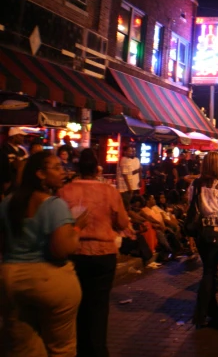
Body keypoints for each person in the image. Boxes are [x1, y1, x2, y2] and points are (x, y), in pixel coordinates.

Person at [0, 151, 88, 356]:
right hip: (49, 280)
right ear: (40, 174)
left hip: (11, 279)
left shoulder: (7, 203)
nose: (63, 172)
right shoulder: (53, 205)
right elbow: (61, 249)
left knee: (23, 348)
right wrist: (76, 228)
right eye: (56, 168)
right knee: (61, 348)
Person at [58, 148, 129, 357]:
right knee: (98, 307)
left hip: (74, 254)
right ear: (97, 169)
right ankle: (97, 350)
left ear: (78, 168)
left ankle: (80, 349)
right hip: (103, 255)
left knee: (76, 306)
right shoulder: (109, 192)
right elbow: (122, 222)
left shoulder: (65, 191)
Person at [188, 151, 218, 327]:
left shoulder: (194, 185)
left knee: (208, 269)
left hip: (200, 232)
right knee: (209, 273)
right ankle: (200, 314)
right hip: (216, 231)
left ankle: (213, 311)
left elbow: (190, 205)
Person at [1, 127, 28, 200]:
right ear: (13, 137)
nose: (23, 138)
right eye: (20, 136)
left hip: (20, 185)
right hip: (9, 186)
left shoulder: (22, 150)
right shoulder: (5, 149)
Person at [118, 145, 141, 210]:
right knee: (126, 205)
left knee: (129, 204)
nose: (131, 152)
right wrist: (129, 187)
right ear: (125, 152)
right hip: (125, 188)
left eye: (131, 151)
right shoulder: (124, 160)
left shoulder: (128, 160)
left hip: (127, 187)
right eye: (129, 151)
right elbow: (125, 175)